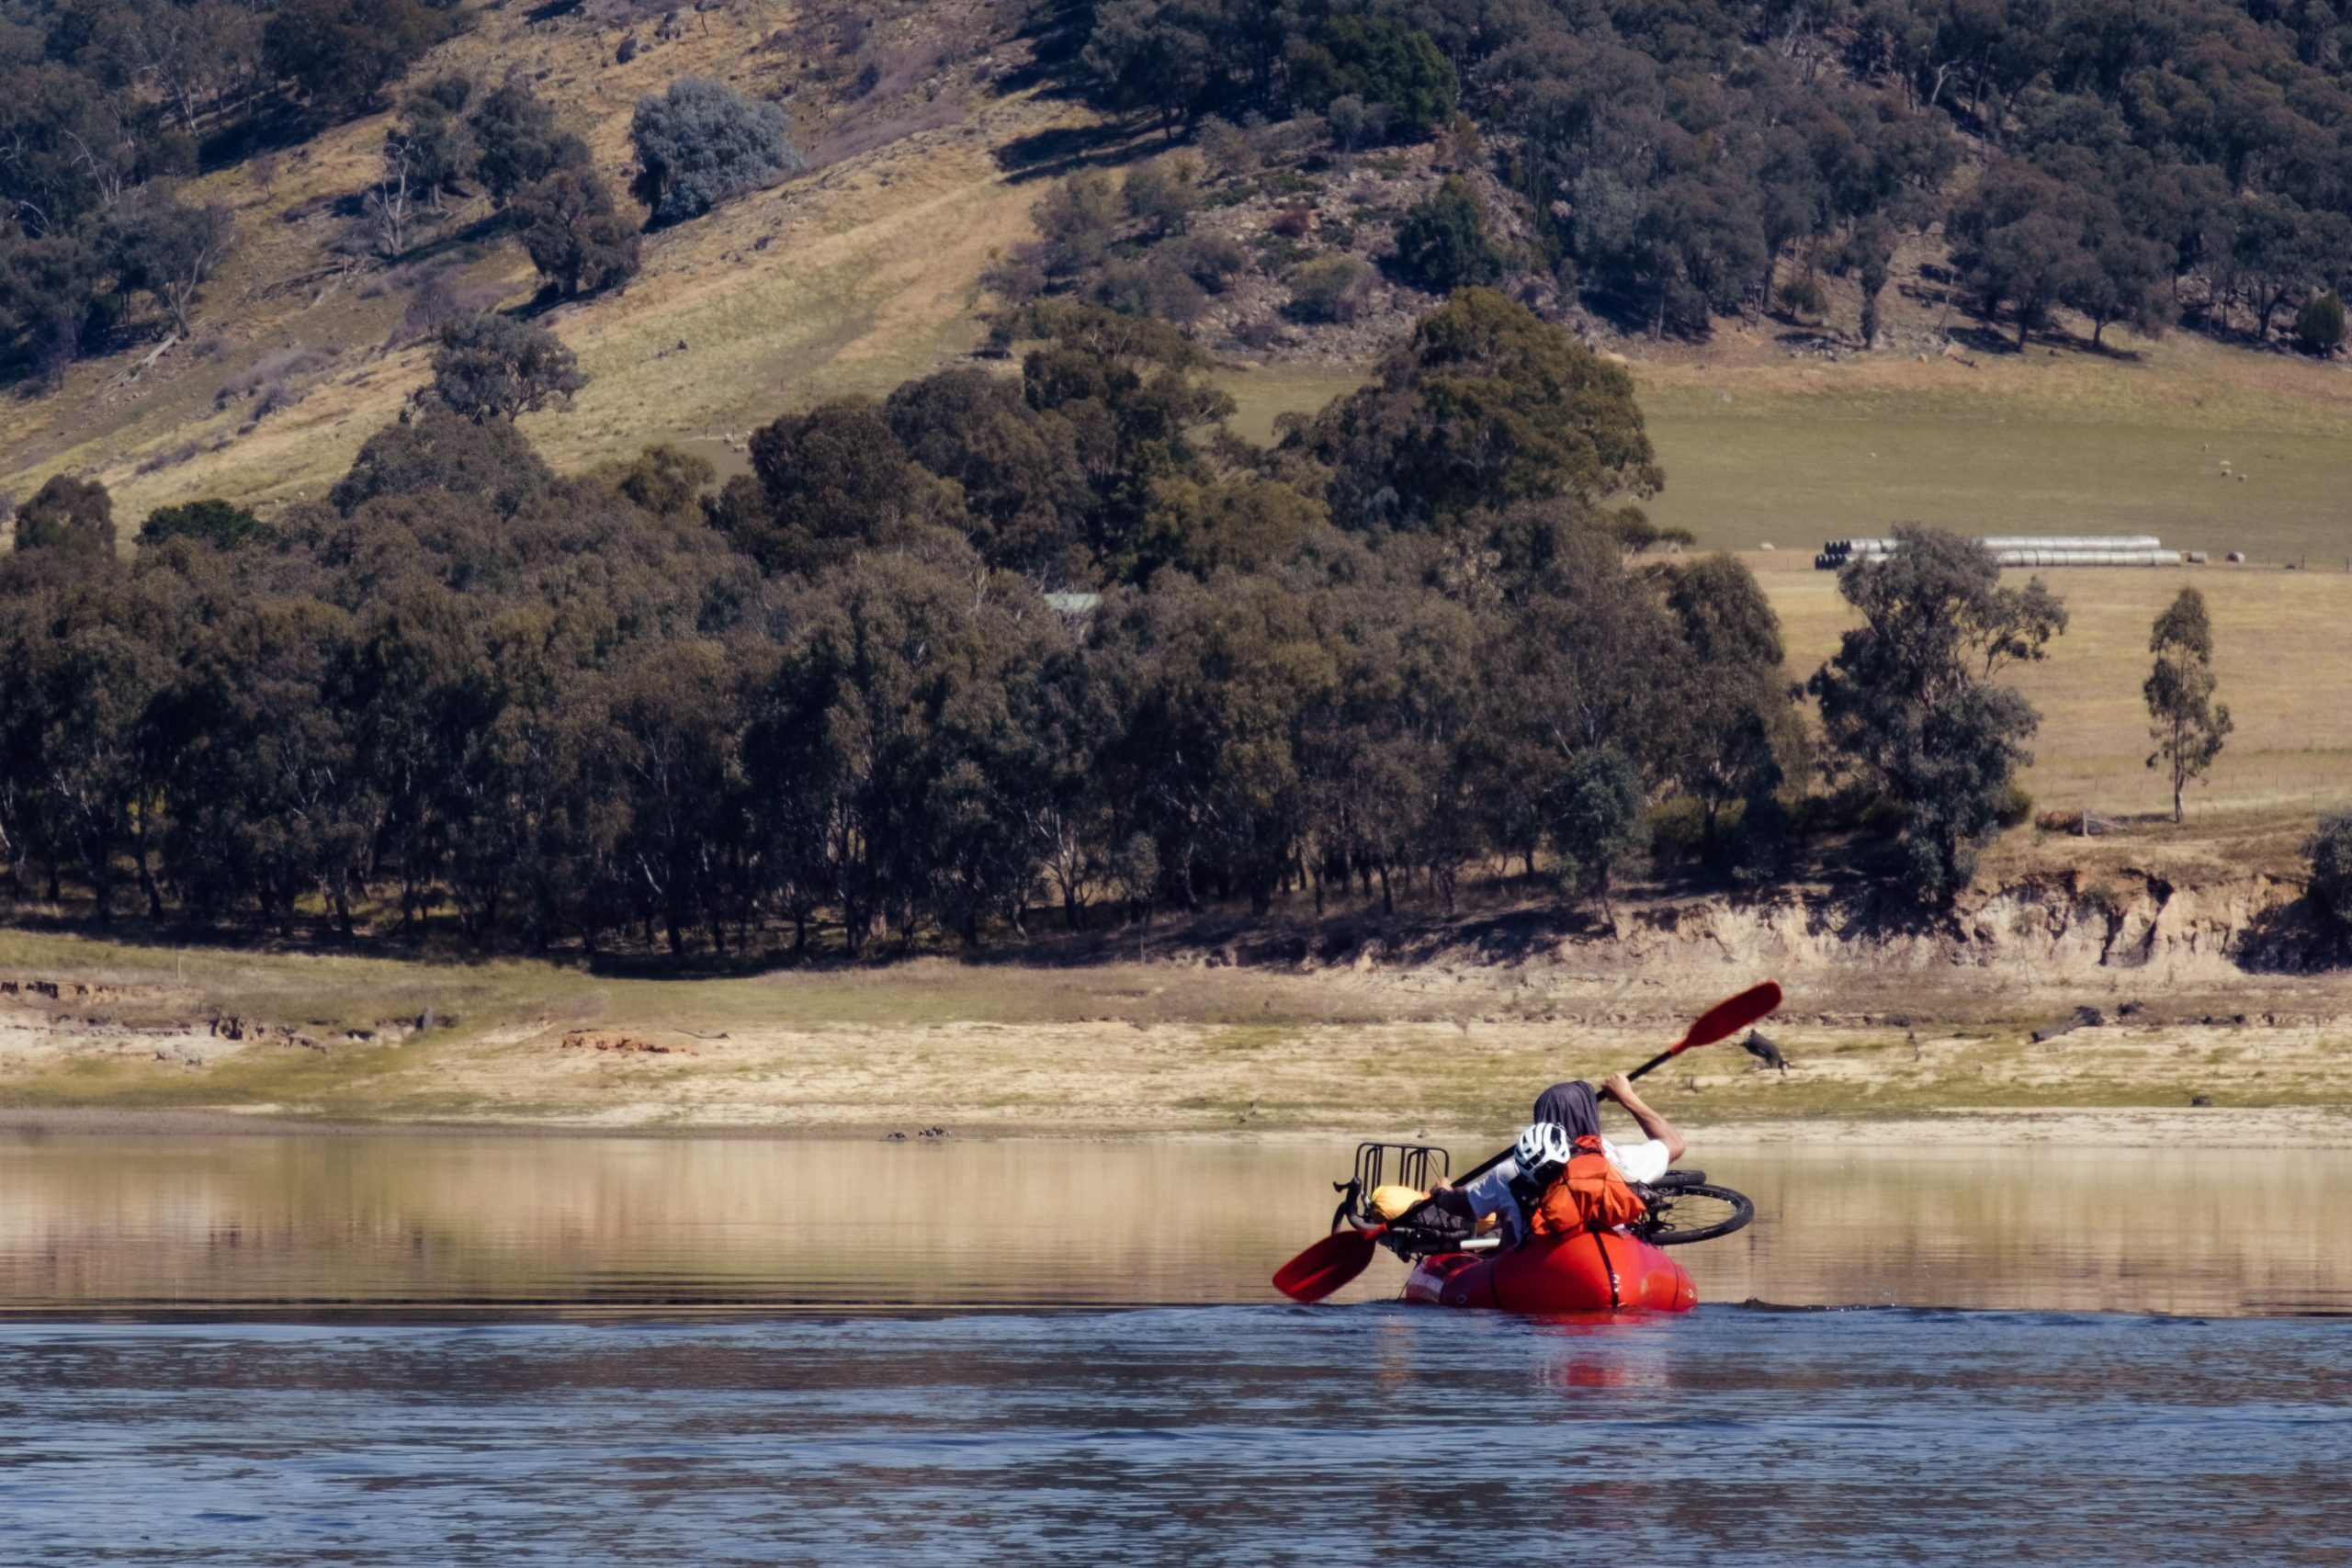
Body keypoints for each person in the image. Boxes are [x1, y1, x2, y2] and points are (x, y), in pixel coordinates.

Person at [1408, 1074, 1687, 1247]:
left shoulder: (1511, 1169)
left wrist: (1442, 1194)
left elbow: (1466, 1206)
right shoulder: (1615, 1158)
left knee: (1507, 1217)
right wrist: (1628, 1098)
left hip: (1536, 1265)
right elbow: (1674, 1144)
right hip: (1609, 1257)